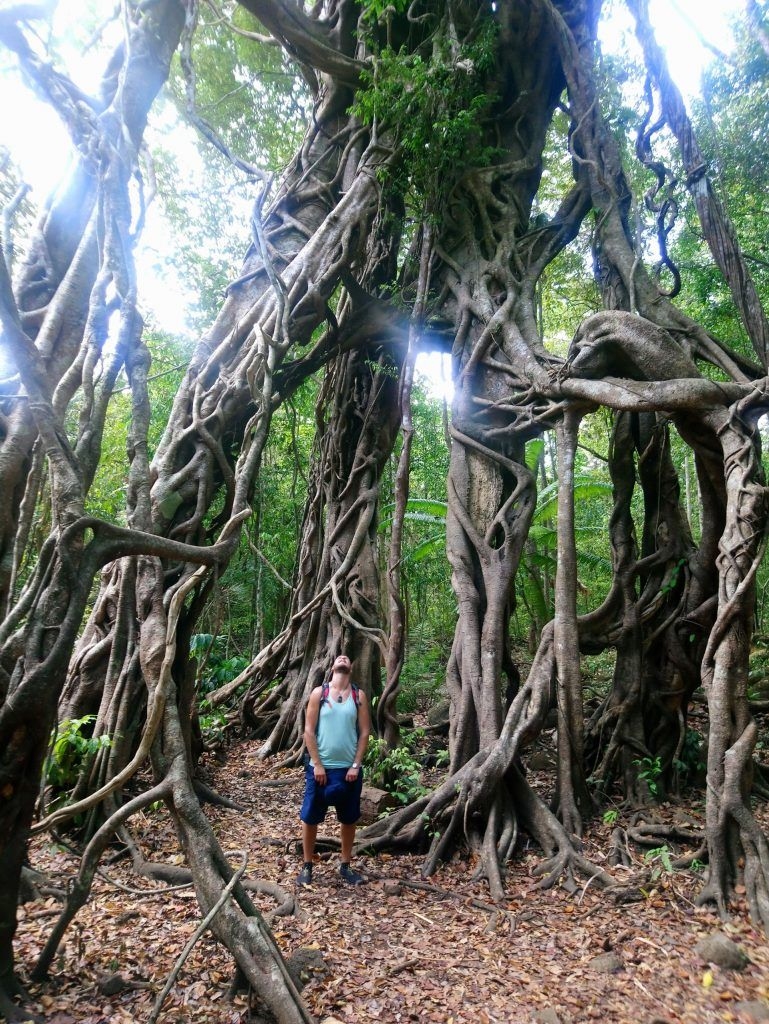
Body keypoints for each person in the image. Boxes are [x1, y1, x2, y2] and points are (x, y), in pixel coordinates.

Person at [297, 653, 371, 887]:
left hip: (348, 770)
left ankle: (345, 865)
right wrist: (317, 764)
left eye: (347, 658)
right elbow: (308, 731)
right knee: (310, 818)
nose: (343, 658)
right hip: (320, 770)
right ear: (332, 666)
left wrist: (356, 765)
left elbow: (365, 732)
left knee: (348, 819)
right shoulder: (320, 694)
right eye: (339, 657)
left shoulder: (358, 696)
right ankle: (307, 865)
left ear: (351, 667)